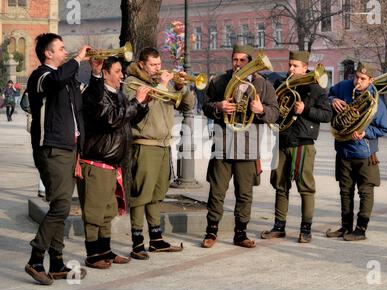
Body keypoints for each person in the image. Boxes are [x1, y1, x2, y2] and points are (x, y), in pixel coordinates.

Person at [25, 33, 92, 285]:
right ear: (47, 54)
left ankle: (56, 262)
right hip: (51, 148)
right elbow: (56, 79)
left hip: (69, 149)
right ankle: (35, 258)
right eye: (61, 49)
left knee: (60, 206)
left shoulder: (67, 80)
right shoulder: (41, 76)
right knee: (62, 206)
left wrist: (95, 72)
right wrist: (77, 60)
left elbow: (86, 100)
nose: (65, 52)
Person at [201, 44, 279, 248]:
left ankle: (240, 233)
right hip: (223, 145)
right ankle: (211, 231)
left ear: (251, 62)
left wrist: (261, 109)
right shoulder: (219, 81)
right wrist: (218, 106)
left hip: (248, 147)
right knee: (217, 192)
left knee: (244, 194)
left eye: (243, 60)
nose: (238, 64)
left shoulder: (263, 85)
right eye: (235, 59)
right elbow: (205, 107)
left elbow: (275, 113)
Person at [77, 57, 150, 269]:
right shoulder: (94, 94)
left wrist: (143, 105)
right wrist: (136, 102)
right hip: (96, 161)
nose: (122, 76)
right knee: (94, 212)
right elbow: (111, 119)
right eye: (118, 71)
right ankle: (92, 254)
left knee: (107, 211)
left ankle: (105, 250)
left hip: (111, 163)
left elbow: (129, 118)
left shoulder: (117, 95)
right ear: (106, 73)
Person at [122, 47, 194, 259]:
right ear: (142, 64)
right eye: (153, 65)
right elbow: (139, 112)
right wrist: (162, 85)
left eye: (159, 64)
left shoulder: (162, 84)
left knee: (156, 194)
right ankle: (137, 242)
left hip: (163, 145)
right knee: (140, 195)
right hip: (144, 145)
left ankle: (156, 239)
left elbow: (188, 105)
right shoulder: (132, 84)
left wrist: (181, 87)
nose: (158, 68)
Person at [260, 51, 332, 243]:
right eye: (290, 65)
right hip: (282, 139)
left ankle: (306, 229)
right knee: (280, 184)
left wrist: (305, 110)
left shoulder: (315, 88)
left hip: (303, 142)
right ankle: (279, 226)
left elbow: (327, 115)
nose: (290, 69)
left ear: (305, 67)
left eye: (295, 66)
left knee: (305, 187)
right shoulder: (281, 85)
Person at [326, 62, 387, 241]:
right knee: (345, 191)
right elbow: (327, 95)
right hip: (344, 150)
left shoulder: (376, 99)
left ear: (371, 80)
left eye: (362, 79)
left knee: (365, 191)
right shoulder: (344, 86)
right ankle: (345, 227)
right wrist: (333, 100)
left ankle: (361, 229)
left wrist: (365, 133)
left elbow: (383, 128)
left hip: (365, 153)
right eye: (356, 77)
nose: (358, 82)